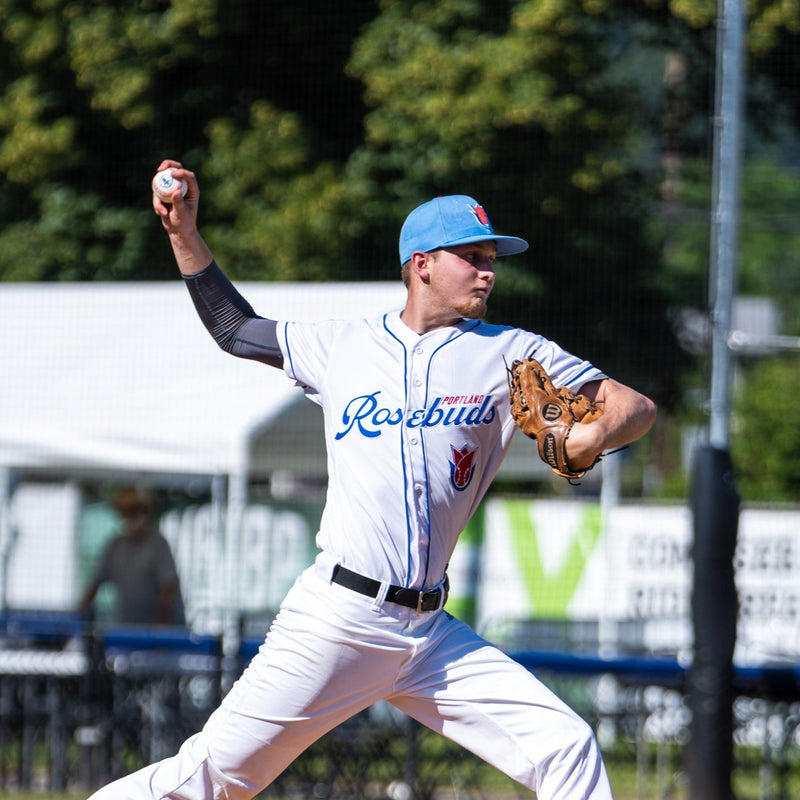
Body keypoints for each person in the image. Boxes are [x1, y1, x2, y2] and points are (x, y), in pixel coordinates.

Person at [87, 160, 656, 800]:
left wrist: (594, 432)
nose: (488, 269)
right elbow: (235, 330)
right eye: (471, 256)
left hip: (432, 633)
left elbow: (635, 406)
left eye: (492, 256)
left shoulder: (511, 352)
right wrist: (183, 231)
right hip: (341, 616)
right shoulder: (344, 345)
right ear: (421, 264)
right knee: (214, 777)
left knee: (566, 747)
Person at [79, 486, 186, 627]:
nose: (133, 519)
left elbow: (168, 590)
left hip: (162, 634)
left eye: (137, 512)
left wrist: (159, 630)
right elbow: (94, 584)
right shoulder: (115, 546)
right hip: (128, 629)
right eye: (128, 513)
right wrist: (78, 616)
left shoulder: (158, 544)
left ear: (146, 514)